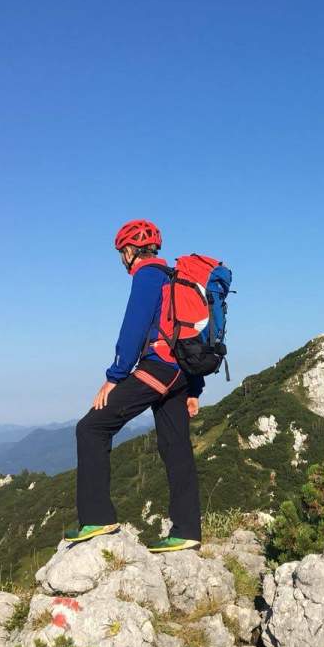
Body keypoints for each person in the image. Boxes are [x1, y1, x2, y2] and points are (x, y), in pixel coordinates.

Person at [66, 219, 204, 552]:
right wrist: (194, 388)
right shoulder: (174, 276)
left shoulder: (147, 276)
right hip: (181, 373)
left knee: (91, 428)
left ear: (129, 251)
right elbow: (190, 333)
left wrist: (114, 378)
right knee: (176, 446)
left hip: (158, 367)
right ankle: (187, 530)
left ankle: (97, 517)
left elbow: (133, 329)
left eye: (120, 253)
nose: (121, 260)